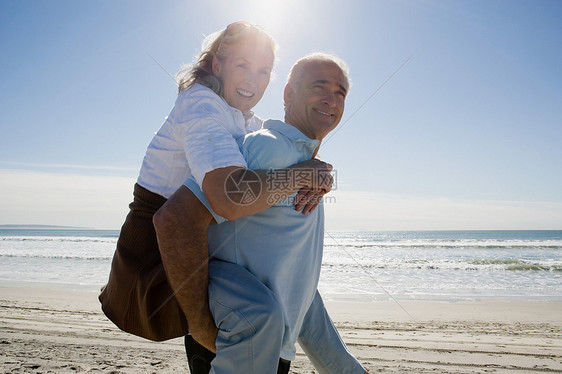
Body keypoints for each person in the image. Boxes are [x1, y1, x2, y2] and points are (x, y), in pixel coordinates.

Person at [98, 21, 333, 371]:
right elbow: (226, 197)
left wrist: (318, 171)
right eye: (243, 66)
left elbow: (280, 146)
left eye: (263, 70)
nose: (253, 80)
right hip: (157, 259)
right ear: (217, 65)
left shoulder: (242, 119)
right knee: (259, 312)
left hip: (200, 253)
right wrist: (300, 175)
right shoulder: (201, 106)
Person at [155, 53, 367, 373]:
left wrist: (345, 368)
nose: (331, 99)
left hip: (272, 349)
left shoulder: (305, 163)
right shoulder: (267, 147)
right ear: (288, 94)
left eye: (340, 92)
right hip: (236, 340)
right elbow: (175, 218)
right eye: (319, 87)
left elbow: (298, 289)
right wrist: (199, 326)